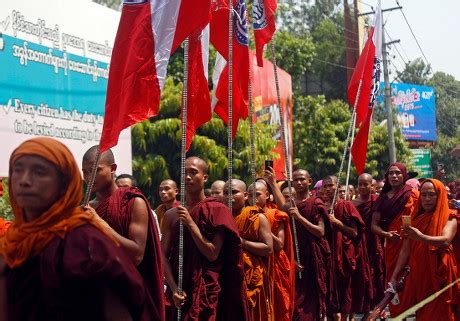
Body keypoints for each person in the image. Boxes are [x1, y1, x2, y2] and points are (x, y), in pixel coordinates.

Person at [0, 137, 151, 321]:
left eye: (39, 172)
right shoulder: (11, 243)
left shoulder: (84, 242)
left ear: (64, 183)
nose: (24, 181)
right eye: (17, 170)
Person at [82, 146, 164, 321]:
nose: (89, 178)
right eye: (85, 172)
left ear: (113, 169)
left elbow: (136, 255)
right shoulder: (86, 209)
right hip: (94, 293)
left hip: (128, 293)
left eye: (95, 170)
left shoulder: (133, 202)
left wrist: (98, 223)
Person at [161, 158, 247, 321]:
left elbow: (212, 253)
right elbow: (162, 255)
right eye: (184, 173)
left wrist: (190, 223)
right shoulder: (171, 215)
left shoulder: (217, 210)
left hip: (208, 289)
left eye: (193, 172)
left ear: (205, 177)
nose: (187, 177)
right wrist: (173, 288)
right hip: (180, 289)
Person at [390, 179, 458, 320]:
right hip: (420, 275)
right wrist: (394, 275)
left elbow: (445, 240)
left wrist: (420, 236)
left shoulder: (450, 216)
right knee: (423, 313)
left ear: (440, 196)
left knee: (442, 313)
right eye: (424, 195)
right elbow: (405, 251)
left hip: (441, 274)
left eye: (432, 195)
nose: (427, 199)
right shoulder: (416, 219)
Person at [371, 162, 419, 316]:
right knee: (394, 278)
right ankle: (398, 312)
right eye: (391, 173)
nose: (394, 176)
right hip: (393, 245)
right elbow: (374, 225)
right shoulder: (383, 198)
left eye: (397, 173)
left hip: (413, 242)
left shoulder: (412, 194)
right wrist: (386, 234)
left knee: (412, 277)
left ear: (404, 175)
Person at [321, 176, 372, 319]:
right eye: (325, 186)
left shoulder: (346, 205)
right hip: (328, 253)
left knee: (346, 291)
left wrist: (336, 222)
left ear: (338, 186)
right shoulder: (322, 207)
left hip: (344, 254)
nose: (329, 189)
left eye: (331, 185)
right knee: (330, 291)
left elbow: (354, 232)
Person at [225, 179, 274, 321]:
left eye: (234, 192)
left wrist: (241, 242)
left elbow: (268, 248)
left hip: (252, 276)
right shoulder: (221, 217)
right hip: (228, 275)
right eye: (226, 193)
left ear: (246, 195)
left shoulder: (257, 217)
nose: (229, 197)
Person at [248, 181, 294, 321]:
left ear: (267, 195)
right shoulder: (246, 215)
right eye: (250, 195)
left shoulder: (275, 214)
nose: (253, 199)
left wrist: (265, 228)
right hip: (254, 266)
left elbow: (279, 245)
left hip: (275, 266)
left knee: (278, 302)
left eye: (257, 195)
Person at [288, 185, 333, 321]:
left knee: (312, 304)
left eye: (302, 179)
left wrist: (299, 217)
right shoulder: (291, 205)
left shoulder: (315, 203)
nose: (299, 182)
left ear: (309, 182)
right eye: (296, 180)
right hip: (297, 259)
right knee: (296, 305)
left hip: (314, 259)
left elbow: (320, 231)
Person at [352, 174, 385, 309]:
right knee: (362, 273)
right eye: (360, 184)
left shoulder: (378, 201)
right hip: (359, 242)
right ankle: (365, 304)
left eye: (366, 184)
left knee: (376, 271)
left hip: (374, 241)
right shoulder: (353, 204)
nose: (362, 187)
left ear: (373, 186)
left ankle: (378, 304)